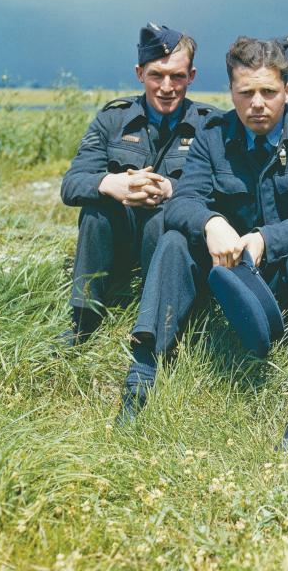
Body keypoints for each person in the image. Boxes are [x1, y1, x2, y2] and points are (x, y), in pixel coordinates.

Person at [117, 36, 288, 455]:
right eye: (246, 93)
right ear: (232, 93)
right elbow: (183, 202)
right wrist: (212, 222)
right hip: (228, 272)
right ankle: (141, 379)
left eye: (269, 92)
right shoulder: (213, 135)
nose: (258, 104)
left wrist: (268, 238)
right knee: (176, 239)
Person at [59, 23, 214, 346]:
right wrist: (111, 184)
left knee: (165, 216)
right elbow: (71, 184)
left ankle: (158, 318)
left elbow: (224, 190)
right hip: (119, 242)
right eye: (157, 75)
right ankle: (84, 320)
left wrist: (171, 190)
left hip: (172, 246)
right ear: (140, 73)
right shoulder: (112, 119)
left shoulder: (210, 125)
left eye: (178, 77)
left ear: (192, 76)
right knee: (95, 209)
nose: (167, 87)